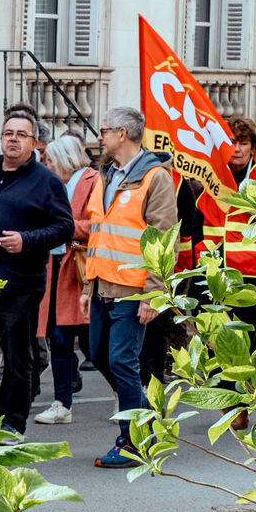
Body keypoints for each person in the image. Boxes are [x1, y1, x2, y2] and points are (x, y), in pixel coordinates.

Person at [0, 109, 73, 441]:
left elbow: (64, 227)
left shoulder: (47, 181)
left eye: (21, 134)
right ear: (1, 138)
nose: (13, 139)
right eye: (8, 133)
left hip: (20, 283)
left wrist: (26, 240)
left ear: (34, 143)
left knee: (16, 357)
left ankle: (14, 423)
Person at [81, 106, 176, 468]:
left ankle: (133, 441)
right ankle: (145, 415)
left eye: (104, 130)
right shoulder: (107, 174)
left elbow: (163, 240)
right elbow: (98, 234)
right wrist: (88, 286)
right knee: (99, 355)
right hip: (103, 285)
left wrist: (153, 293)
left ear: (122, 133)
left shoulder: (155, 177)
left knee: (122, 361)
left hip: (133, 289)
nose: (99, 136)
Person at [33, 135, 96, 425]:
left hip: (81, 267)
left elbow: (99, 224)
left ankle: (126, 393)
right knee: (58, 338)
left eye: (50, 160)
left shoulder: (93, 180)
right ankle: (62, 403)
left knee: (96, 345)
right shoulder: (52, 183)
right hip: (56, 265)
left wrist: (63, 228)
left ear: (65, 160)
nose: (47, 165)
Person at [198, 116, 256, 343]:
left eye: (243, 143)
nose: (237, 149)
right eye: (232, 143)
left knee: (248, 341)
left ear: (253, 147)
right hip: (214, 271)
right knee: (215, 340)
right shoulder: (210, 176)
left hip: (253, 274)